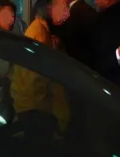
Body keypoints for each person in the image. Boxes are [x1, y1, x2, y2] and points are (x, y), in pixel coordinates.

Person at [11, 0, 72, 137]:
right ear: (49, 8)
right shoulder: (39, 33)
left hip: (38, 110)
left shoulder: (43, 30)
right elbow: (34, 81)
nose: (68, 13)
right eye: (64, 6)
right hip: (38, 112)